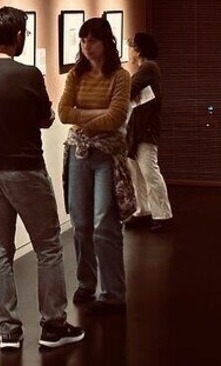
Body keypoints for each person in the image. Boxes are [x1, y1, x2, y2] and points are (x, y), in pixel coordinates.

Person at [0, 6, 85, 350]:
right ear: (18, 36)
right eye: (25, 34)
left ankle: (8, 331)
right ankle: (53, 325)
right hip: (26, 169)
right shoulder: (28, 75)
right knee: (47, 247)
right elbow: (45, 119)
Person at [58, 17, 132, 315]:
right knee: (80, 222)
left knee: (105, 223)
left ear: (107, 42)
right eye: (83, 40)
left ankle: (113, 291)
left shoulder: (121, 76)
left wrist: (83, 116)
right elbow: (63, 113)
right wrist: (95, 116)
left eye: (93, 40)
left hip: (107, 155)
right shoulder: (76, 74)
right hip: (78, 152)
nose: (87, 46)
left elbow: (116, 118)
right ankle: (86, 282)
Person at [123, 32, 173, 232]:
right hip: (137, 129)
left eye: (131, 47)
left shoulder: (149, 68)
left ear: (138, 50)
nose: (129, 52)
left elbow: (128, 90)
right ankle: (142, 210)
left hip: (145, 129)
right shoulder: (146, 68)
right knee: (137, 172)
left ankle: (163, 214)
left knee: (149, 171)